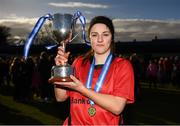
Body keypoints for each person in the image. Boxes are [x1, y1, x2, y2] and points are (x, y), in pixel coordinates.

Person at [50, 16, 134, 125]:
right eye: (95, 35)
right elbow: (60, 97)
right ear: (89, 38)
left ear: (112, 37)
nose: (100, 39)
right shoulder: (79, 63)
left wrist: (82, 89)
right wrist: (60, 69)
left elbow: (117, 107)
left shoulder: (122, 66)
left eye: (105, 34)